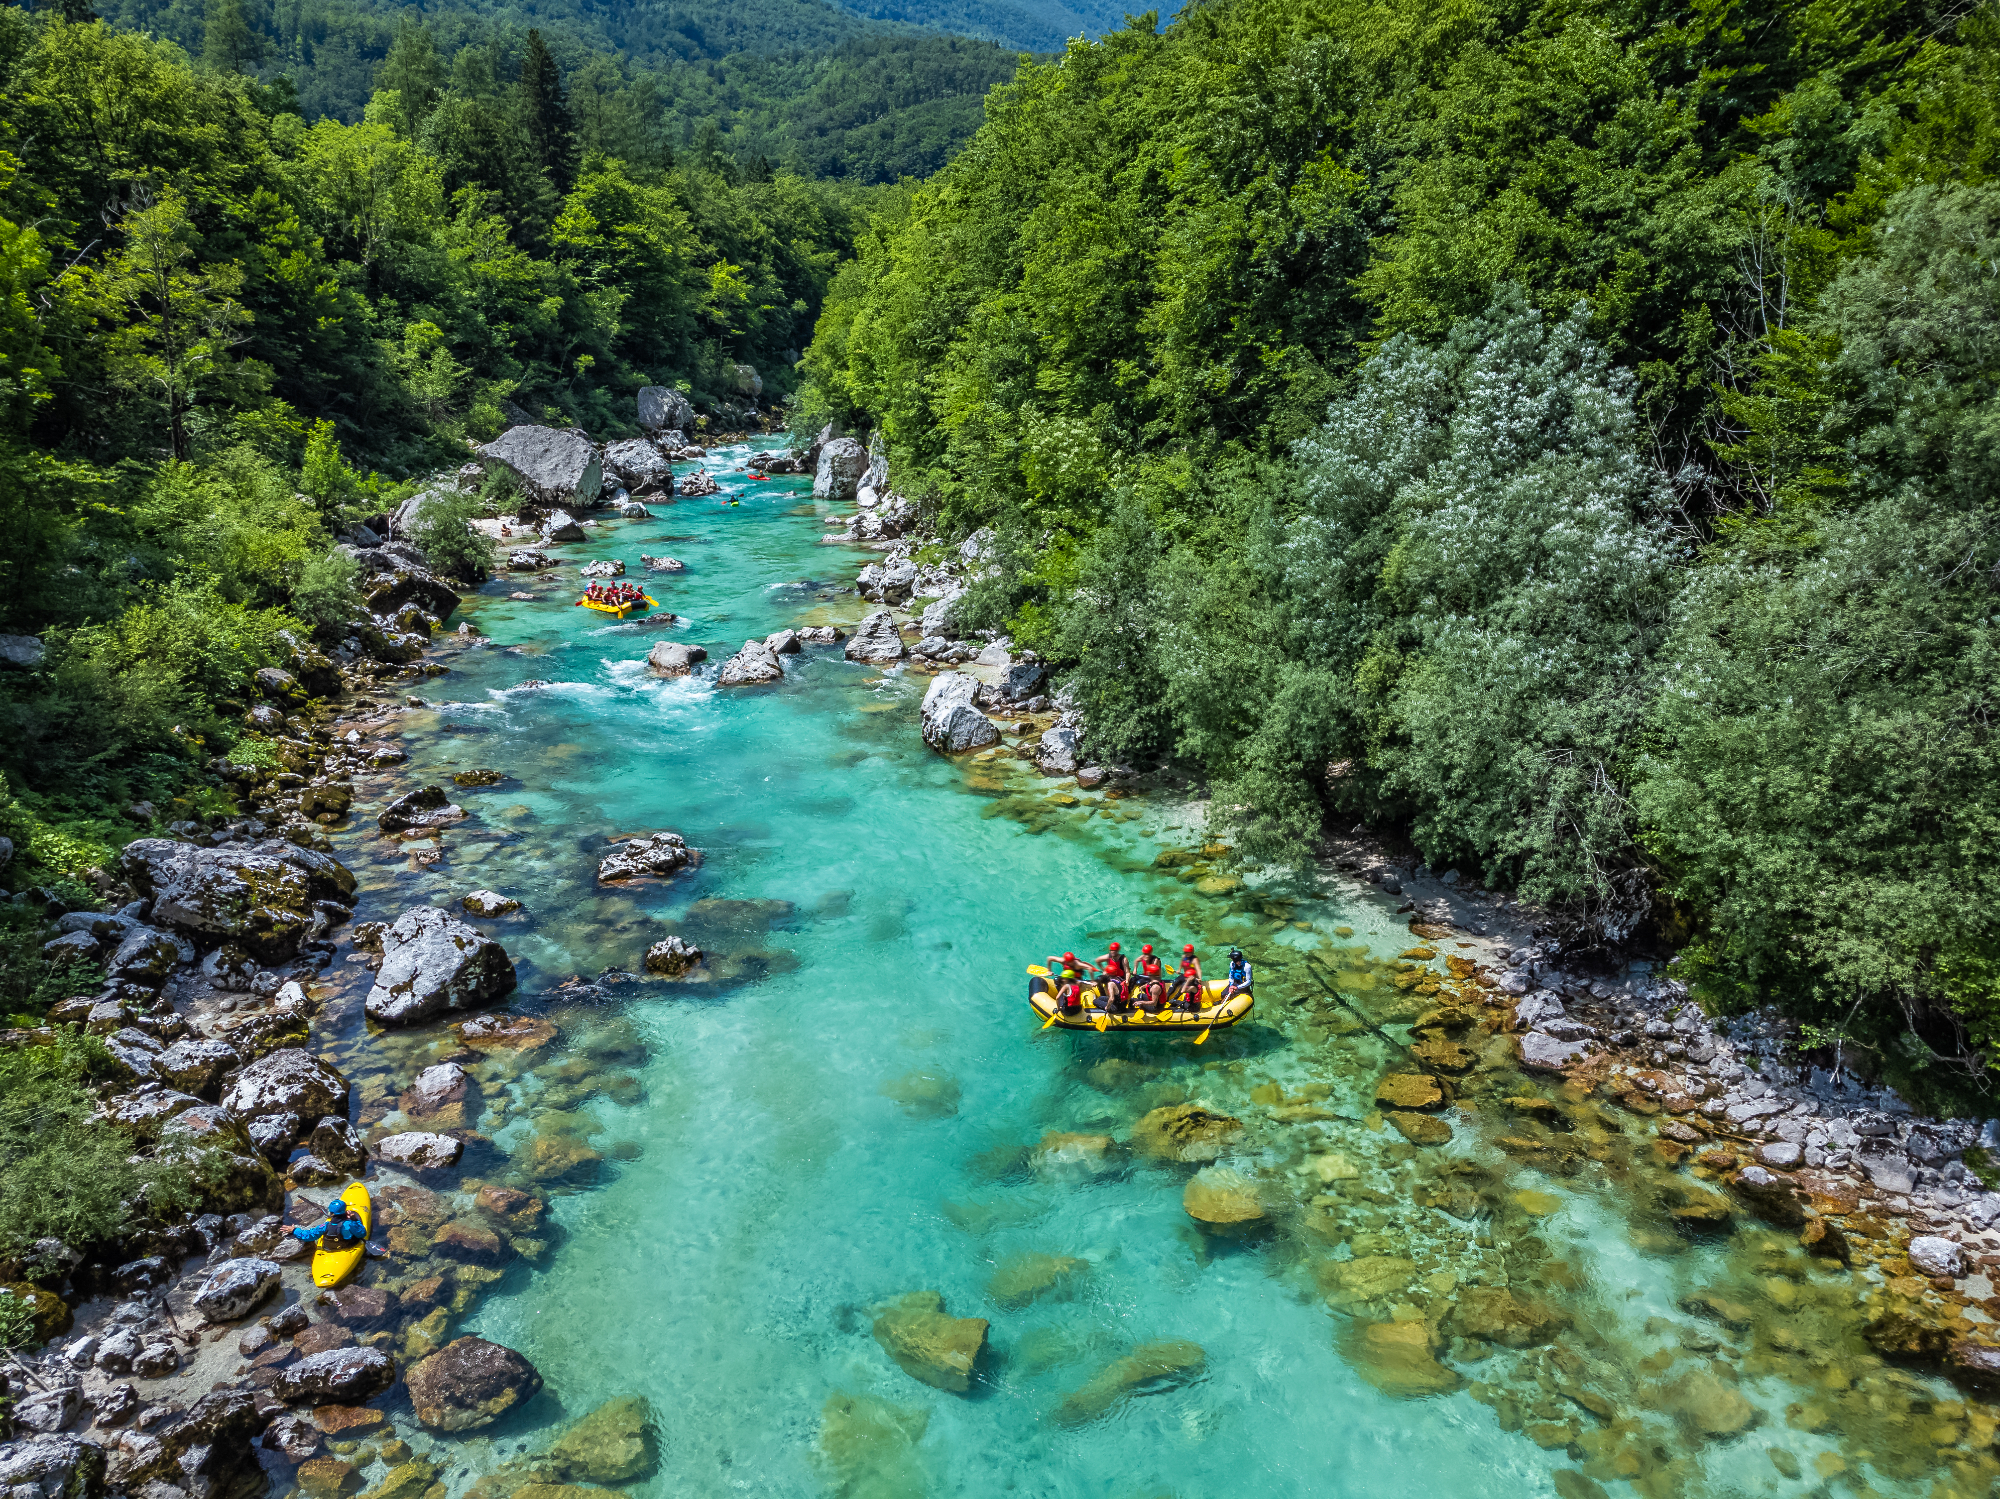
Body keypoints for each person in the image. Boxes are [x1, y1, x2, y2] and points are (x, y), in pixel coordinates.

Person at [293, 1198, 367, 1250]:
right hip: (347, 1247)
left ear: (331, 1212)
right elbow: (362, 1234)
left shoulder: (325, 1225)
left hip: (330, 1249)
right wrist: (354, 1219)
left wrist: (294, 1230)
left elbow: (309, 1235)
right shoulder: (350, 1224)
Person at [1092, 941, 1130, 1011]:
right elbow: (1097, 960)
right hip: (1111, 975)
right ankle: (1103, 994)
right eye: (1111, 950)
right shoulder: (1108, 956)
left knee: (1111, 990)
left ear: (1118, 950)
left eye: (1114, 950)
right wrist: (1104, 970)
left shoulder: (1123, 959)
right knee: (1099, 979)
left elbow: (1127, 972)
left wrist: (1127, 980)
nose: (1113, 952)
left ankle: (1111, 1000)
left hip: (1120, 978)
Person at [1170, 943, 1203, 1011]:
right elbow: (1181, 964)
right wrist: (1179, 969)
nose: (1187, 954)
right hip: (1185, 975)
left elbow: (1198, 970)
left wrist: (1200, 978)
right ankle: (1168, 997)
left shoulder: (1195, 959)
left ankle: (1175, 999)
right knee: (1175, 982)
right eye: (1186, 952)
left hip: (1191, 976)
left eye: (1189, 952)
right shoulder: (1184, 957)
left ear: (1192, 952)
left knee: (1183, 986)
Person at [1135, 943, 1167, 1012]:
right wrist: (1143, 987)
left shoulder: (1155, 987)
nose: (1145, 956)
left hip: (1155, 1007)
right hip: (1153, 982)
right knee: (1139, 995)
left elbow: (1154, 1003)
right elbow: (1149, 983)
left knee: (1135, 1001)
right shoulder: (1153, 982)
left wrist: (1141, 1002)